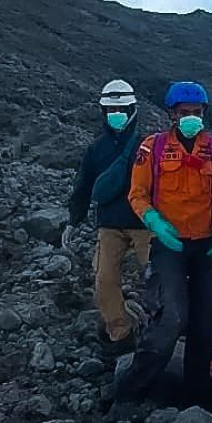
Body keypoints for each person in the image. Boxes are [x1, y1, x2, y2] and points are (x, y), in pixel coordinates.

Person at [114, 81, 212, 407]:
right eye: (185, 113)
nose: (192, 118)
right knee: (171, 318)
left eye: (197, 113)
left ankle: (195, 397)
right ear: (172, 114)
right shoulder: (152, 149)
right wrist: (153, 221)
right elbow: (137, 193)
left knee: (205, 323)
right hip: (170, 247)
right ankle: (131, 392)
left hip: (206, 246)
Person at [63, 80, 150, 353]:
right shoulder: (96, 150)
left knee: (160, 276)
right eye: (112, 109)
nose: (117, 114)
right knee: (104, 278)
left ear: (132, 109)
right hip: (110, 225)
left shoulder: (148, 145)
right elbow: (83, 185)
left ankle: (166, 326)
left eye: (122, 109)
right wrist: (73, 220)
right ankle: (119, 333)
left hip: (145, 223)